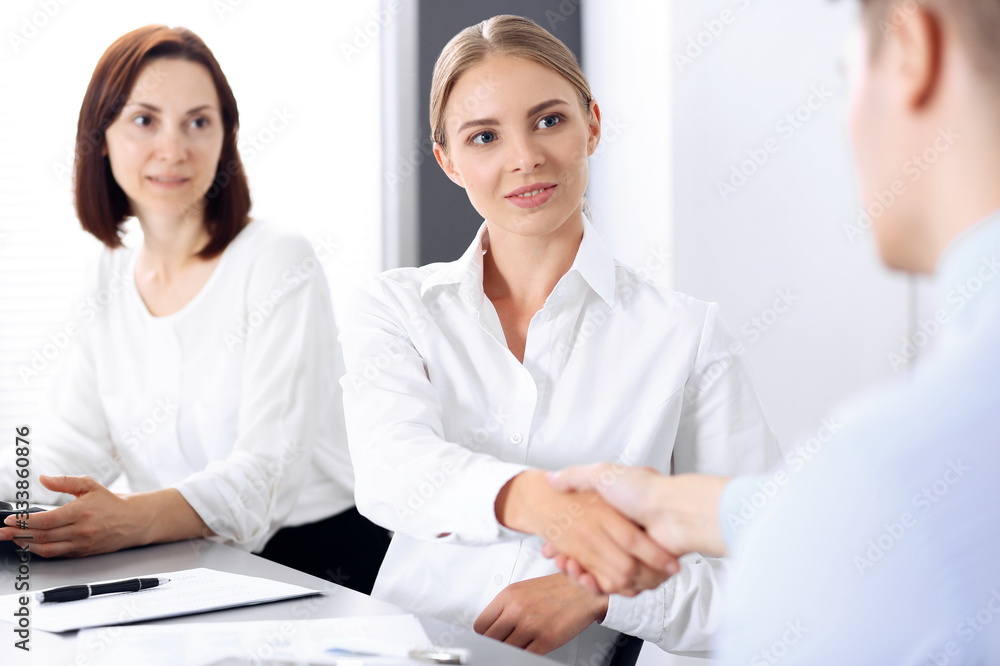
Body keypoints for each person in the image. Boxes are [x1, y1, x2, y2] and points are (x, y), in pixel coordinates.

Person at [545, 0, 1000, 662]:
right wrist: (682, 508)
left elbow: (879, 520)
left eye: (847, 77)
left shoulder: (871, 494)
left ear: (912, 47)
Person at [339, 14, 780, 662]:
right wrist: (545, 505)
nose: (525, 158)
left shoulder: (686, 338)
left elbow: (767, 573)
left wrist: (608, 596)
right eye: (484, 136)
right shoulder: (396, 307)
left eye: (549, 120)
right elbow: (390, 469)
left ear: (592, 125)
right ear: (448, 161)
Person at [0, 25, 388, 594]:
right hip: (187, 558)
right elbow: (73, 447)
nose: (173, 149)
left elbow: (265, 476)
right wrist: (16, 495)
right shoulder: (107, 275)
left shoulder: (278, 260)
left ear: (226, 138)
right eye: (144, 120)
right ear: (100, 137)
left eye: (198, 122)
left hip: (316, 562)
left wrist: (126, 519)